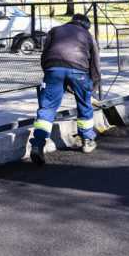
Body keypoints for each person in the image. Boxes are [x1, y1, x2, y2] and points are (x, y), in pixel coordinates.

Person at [30, 14, 101, 165]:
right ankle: (87, 140)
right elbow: (95, 62)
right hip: (79, 70)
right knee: (84, 104)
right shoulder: (87, 35)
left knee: (47, 107)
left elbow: (45, 55)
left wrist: (50, 73)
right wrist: (93, 86)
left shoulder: (55, 30)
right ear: (86, 25)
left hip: (53, 68)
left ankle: (38, 144)